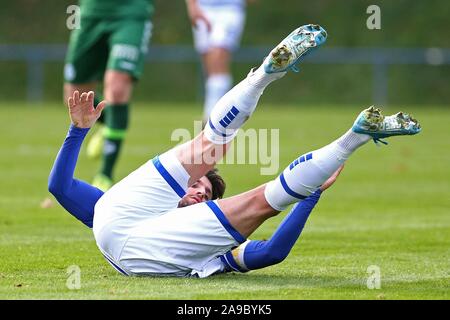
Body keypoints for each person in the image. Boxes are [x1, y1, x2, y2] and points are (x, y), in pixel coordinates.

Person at [49, 24, 421, 278]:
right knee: (214, 154)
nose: (197, 190)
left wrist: (311, 195)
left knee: (231, 162)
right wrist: (77, 131)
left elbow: (272, 252)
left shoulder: (215, 252)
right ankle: (268, 79)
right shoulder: (118, 211)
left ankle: (349, 133)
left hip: (143, 249)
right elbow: (61, 189)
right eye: (198, 188)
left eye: (206, 194)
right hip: (131, 235)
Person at [63, 0, 155, 191]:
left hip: (130, 12)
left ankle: (105, 175)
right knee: (74, 96)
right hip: (90, 13)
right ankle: (108, 125)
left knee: (117, 88)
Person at [185, 0, 252, 124]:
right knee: (210, 67)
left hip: (229, 9)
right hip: (203, 7)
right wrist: (192, 5)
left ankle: (211, 118)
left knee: (218, 58)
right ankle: (224, 113)